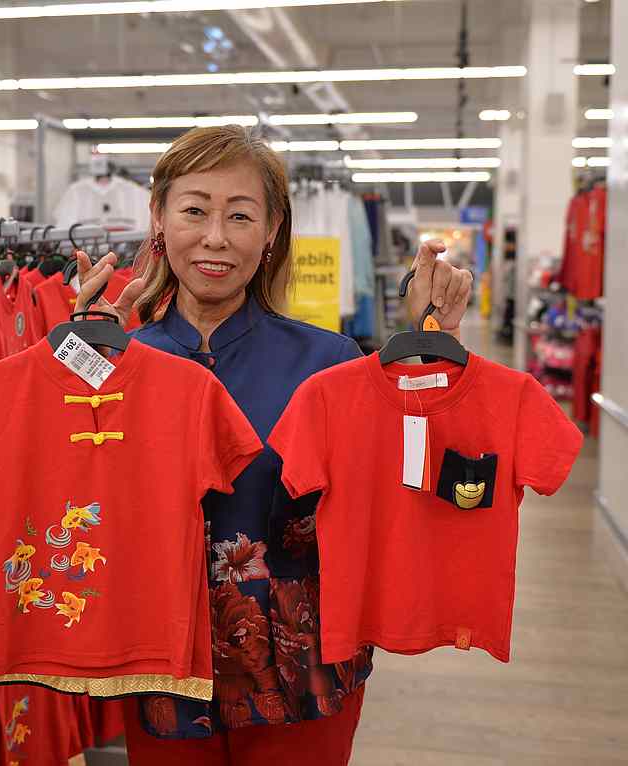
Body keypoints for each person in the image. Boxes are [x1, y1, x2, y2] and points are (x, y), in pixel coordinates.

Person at [72, 125, 473, 765]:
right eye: (195, 210)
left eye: (240, 215)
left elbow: (424, 483)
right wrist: (84, 355)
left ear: (271, 230)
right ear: (158, 218)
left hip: (303, 668)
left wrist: (436, 352)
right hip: (162, 663)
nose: (216, 237)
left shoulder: (329, 362)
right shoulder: (116, 365)